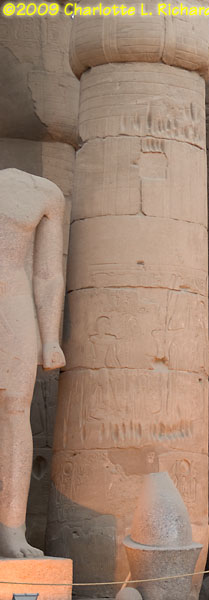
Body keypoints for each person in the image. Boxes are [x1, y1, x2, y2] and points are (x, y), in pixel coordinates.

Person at [0, 169, 66, 557]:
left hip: (13, 303)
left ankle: (12, 528)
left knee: (14, 412)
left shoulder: (42, 191)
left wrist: (50, 337)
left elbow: (47, 273)